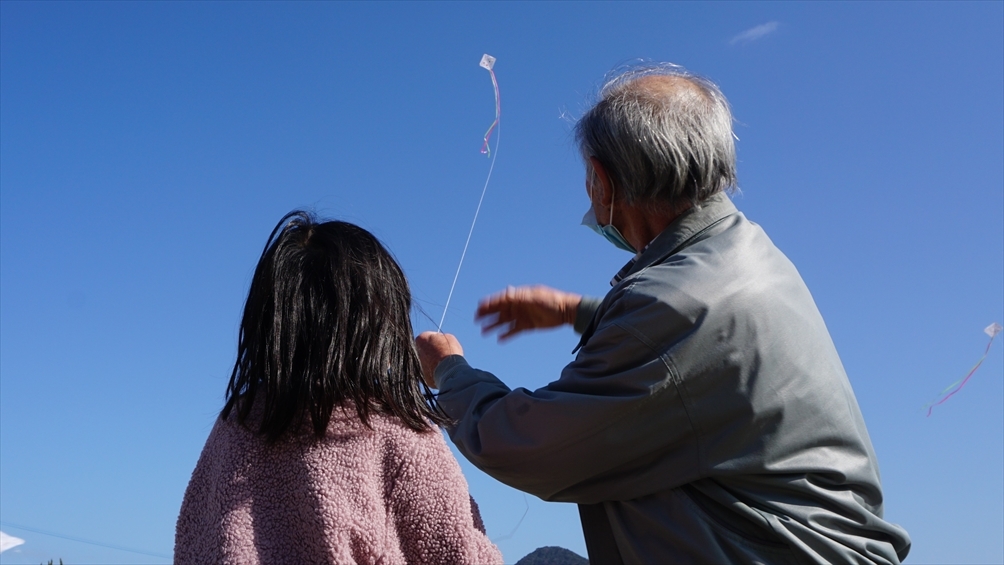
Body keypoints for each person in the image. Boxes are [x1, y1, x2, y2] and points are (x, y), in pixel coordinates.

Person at [415, 64, 912, 564]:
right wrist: (578, 311)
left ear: (604, 181)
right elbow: (700, 357)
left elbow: (530, 445)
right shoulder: (745, 254)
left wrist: (451, 372)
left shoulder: (669, 304)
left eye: (588, 177)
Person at [175, 212, 502, 565]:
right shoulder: (401, 435)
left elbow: (194, 543)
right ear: (382, 323)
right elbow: (456, 552)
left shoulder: (233, 427)